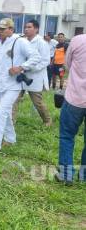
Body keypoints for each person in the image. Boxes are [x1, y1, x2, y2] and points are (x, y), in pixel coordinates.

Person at [0, 18, 41, 156]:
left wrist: (21, 67)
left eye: (3, 29)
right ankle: (10, 138)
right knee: (6, 113)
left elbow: (36, 57)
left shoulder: (20, 42)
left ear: (11, 29)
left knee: (0, 112)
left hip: (13, 85)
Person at [55, 34, 86, 185]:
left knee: (67, 136)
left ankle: (66, 175)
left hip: (75, 98)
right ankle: (84, 175)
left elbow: (67, 65)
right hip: (76, 98)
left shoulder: (78, 40)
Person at [12, 20, 52, 126]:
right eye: (25, 27)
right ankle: (11, 122)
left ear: (36, 29)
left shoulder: (41, 43)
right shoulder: (22, 41)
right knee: (14, 99)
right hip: (21, 75)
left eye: (29, 27)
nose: (26, 29)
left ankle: (47, 120)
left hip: (35, 76)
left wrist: (31, 68)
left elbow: (45, 61)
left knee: (37, 102)